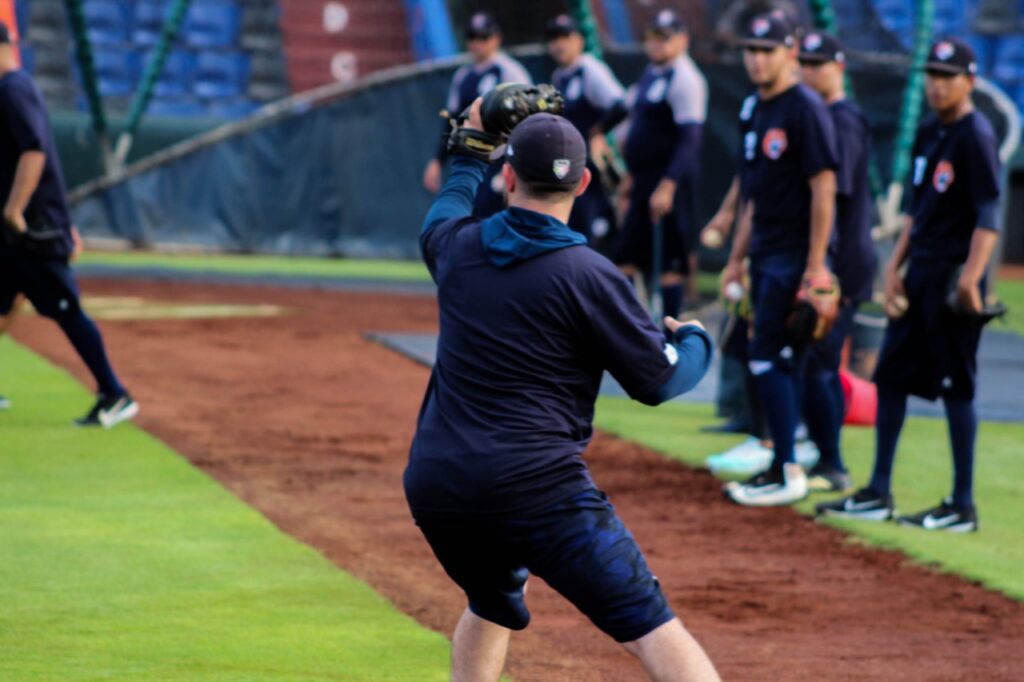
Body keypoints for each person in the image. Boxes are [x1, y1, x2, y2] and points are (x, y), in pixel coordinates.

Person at [405, 101, 720, 681]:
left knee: (493, 598)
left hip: (439, 488)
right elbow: (660, 380)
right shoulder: (587, 273)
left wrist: (471, 142)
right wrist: (697, 339)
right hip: (538, 489)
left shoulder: (456, 248)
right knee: (651, 626)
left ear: (508, 176)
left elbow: (447, 203)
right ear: (584, 181)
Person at [817, 39, 1001, 532]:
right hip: (918, 273)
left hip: (951, 280)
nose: (937, 83)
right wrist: (893, 266)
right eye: (932, 74)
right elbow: (917, 212)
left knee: (957, 388)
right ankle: (879, 490)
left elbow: (990, 212)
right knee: (892, 378)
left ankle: (963, 505)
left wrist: (970, 277)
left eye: (948, 74)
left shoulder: (974, 134)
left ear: (970, 80)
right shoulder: (927, 132)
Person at [720, 13, 839, 506]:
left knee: (778, 357)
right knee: (769, 357)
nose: (757, 58)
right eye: (752, 48)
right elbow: (753, 193)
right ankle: (783, 460)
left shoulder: (805, 108)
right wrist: (735, 259)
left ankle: (788, 465)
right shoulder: (754, 108)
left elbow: (824, 188)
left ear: (789, 53)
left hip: (793, 254)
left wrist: (815, 265)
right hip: (764, 251)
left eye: (768, 49)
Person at [0, 21, 138, 427]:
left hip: (31, 229)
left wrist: (14, 210)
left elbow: (35, 153)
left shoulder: (12, 89)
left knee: (66, 309)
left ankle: (115, 394)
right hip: (22, 229)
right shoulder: (11, 89)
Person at [797, 31, 877, 493]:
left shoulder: (841, 120)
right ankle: (823, 452)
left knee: (820, 363)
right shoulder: (821, 117)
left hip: (843, 261)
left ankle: (832, 461)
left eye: (819, 63)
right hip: (835, 259)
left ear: (839, 68)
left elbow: (837, 201)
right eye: (804, 63)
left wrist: (824, 269)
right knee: (813, 362)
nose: (810, 71)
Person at [615, 9, 708, 320]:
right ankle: (631, 326)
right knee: (625, 255)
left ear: (682, 40)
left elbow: (689, 139)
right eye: (652, 38)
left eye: (663, 38)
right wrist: (630, 176)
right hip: (642, 179)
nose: (656, 45)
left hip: (669, 181)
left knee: (669, 262)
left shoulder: (686, 78)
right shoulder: (651, 73)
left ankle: (670, 330)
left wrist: (668, 185)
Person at [421, 12, 531, 217]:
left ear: (496, 39)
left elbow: (527, 119)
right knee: (474, 216)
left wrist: (514, 163)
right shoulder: (464, 76)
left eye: (483, 37)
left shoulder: (509, 71)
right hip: (474, 158)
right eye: (473, 37)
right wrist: (437, 160)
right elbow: (453, 121)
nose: (477, 43)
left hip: (503, 157)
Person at [545, 14, 627, 245]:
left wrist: (597, 132)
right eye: (554, 38)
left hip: (592, 169)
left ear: (578, 40)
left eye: (565, 37)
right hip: (569, 166)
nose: (559, 44)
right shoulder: (559, 76)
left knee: (598, 230)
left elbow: (620, 105)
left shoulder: (589, 69)